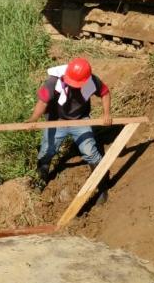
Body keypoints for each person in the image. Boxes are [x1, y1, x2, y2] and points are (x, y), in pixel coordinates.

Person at [25, 57, 112, 200]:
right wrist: (34, 119)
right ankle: (41, 178)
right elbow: (43, 101)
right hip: (56, 121)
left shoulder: (92, 81)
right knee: (47, 151)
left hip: (80, 120)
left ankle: (102, 185)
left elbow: (105, 93)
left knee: (90, 152)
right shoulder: (54, 81)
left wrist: (107, 114)